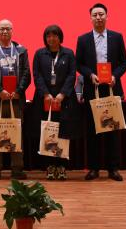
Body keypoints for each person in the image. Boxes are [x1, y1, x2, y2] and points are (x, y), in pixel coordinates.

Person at [76, 3, 126, 182]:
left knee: (113, 130)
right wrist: (90, 75)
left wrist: (115, 75)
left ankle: (113, 169)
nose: (98, 17)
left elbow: (124, 62)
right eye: (95, 15)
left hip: (112, 88)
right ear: (90, 18)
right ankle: (94, 168)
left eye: (101, 14)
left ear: (107, 16)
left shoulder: (117, 37)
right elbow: (79, 63)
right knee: (93, 131)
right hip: (93, 89)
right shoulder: (83, 39)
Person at [0, 19, 31, 180]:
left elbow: (26, 73)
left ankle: (17, 168)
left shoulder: (21, 51)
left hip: (16, 99)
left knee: (16, 132)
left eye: (8, 29)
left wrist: (18, 91)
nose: (5, 31)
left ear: (12, 31)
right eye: (2, 29)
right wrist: (0, 91)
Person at [32, 25, 78, 180]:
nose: (51, 39)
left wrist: (62, 94)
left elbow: (72, 75)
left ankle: (62, 166)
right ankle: (50, 166)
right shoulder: (40, 54)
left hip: (64, 100)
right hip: (44, 99)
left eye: (55, 35)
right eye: (48, 36)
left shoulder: (68, 53)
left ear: (60, 37)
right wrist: (46, 93)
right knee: (48, 132)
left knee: (63, 132)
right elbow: (37, 75)